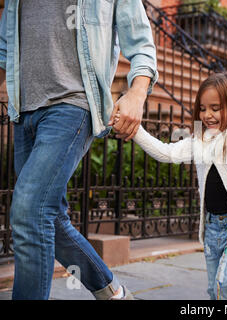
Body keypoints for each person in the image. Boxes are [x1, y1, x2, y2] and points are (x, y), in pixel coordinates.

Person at [0, 0, 158, 300]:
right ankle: (114, 294)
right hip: (24, 111)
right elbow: (5, 48)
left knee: (30, 211)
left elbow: (140, 43)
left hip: (73, 105)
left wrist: (137, 93)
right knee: (49, 217)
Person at [125, 48, 227, 300]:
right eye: (203, 108)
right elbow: (167, 153)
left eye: (216, 108)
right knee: (213, 291)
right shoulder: (200, 141)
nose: (208, 115)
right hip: (213, 228)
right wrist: (136, 129)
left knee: (225, 282)